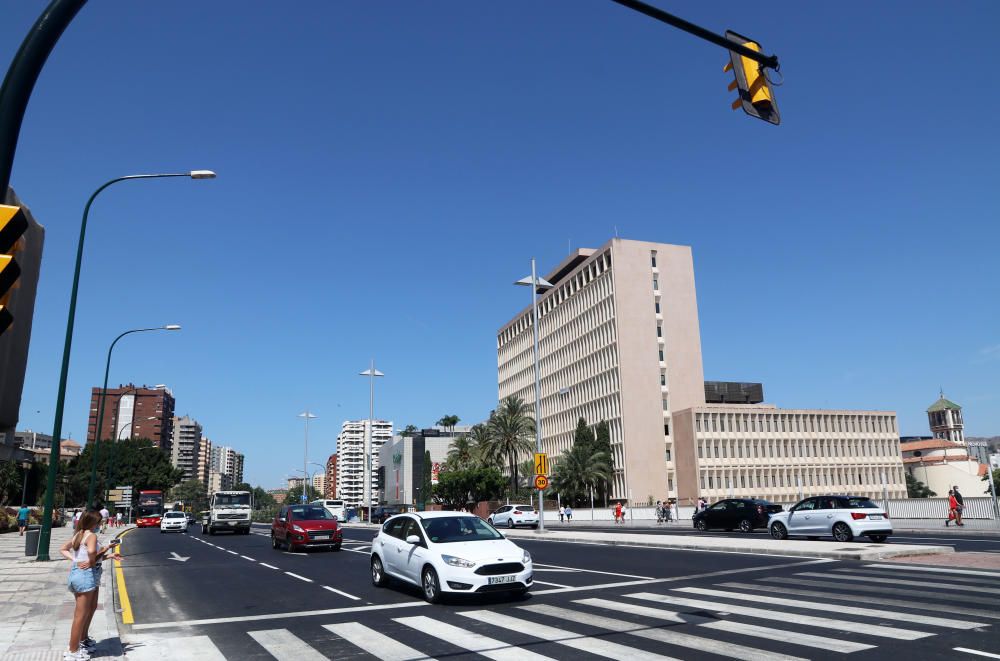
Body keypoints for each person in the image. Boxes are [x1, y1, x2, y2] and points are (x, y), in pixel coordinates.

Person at [60, 510, 100, 660]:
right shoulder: (91, 536)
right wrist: (91, 560)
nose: (100, 525)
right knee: (80, 616)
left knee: (80, 614)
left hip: (74, 574)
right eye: (98, 522)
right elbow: (91, 551)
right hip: (85, 575)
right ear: (93, 523)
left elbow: (63, 549)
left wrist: (75, 560)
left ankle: (75, 647)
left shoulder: (78, 534)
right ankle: (73, 651)